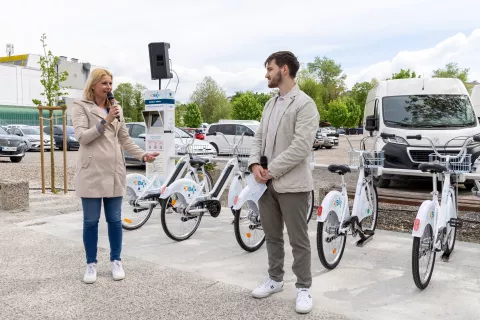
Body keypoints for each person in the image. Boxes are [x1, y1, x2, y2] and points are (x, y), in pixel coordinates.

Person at [247, 51, 319, 314]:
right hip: (266, 185)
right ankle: (275, 279)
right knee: (272, 236)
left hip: (292, 185)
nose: (266, 74)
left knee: (298, 239)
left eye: (270, 69)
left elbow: (301, 147)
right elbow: (258, 138)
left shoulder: (305, 104)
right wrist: (255, 165)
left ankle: (303, 287)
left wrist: (270, 170)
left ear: (284, 70)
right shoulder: (270, 104)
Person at [72, 68, 159, 284]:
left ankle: (116, 261)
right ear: (93, 85)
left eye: (110, 83)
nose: (109, 87)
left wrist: (142, 155)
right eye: (104, 83)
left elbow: (125, 139)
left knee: (115, 220)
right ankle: (91, 264)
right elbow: (83, 137)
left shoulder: (115, 107)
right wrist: (106, 120)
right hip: (91, 172)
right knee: (91, 221)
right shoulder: (80, 106)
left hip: (114, 171)